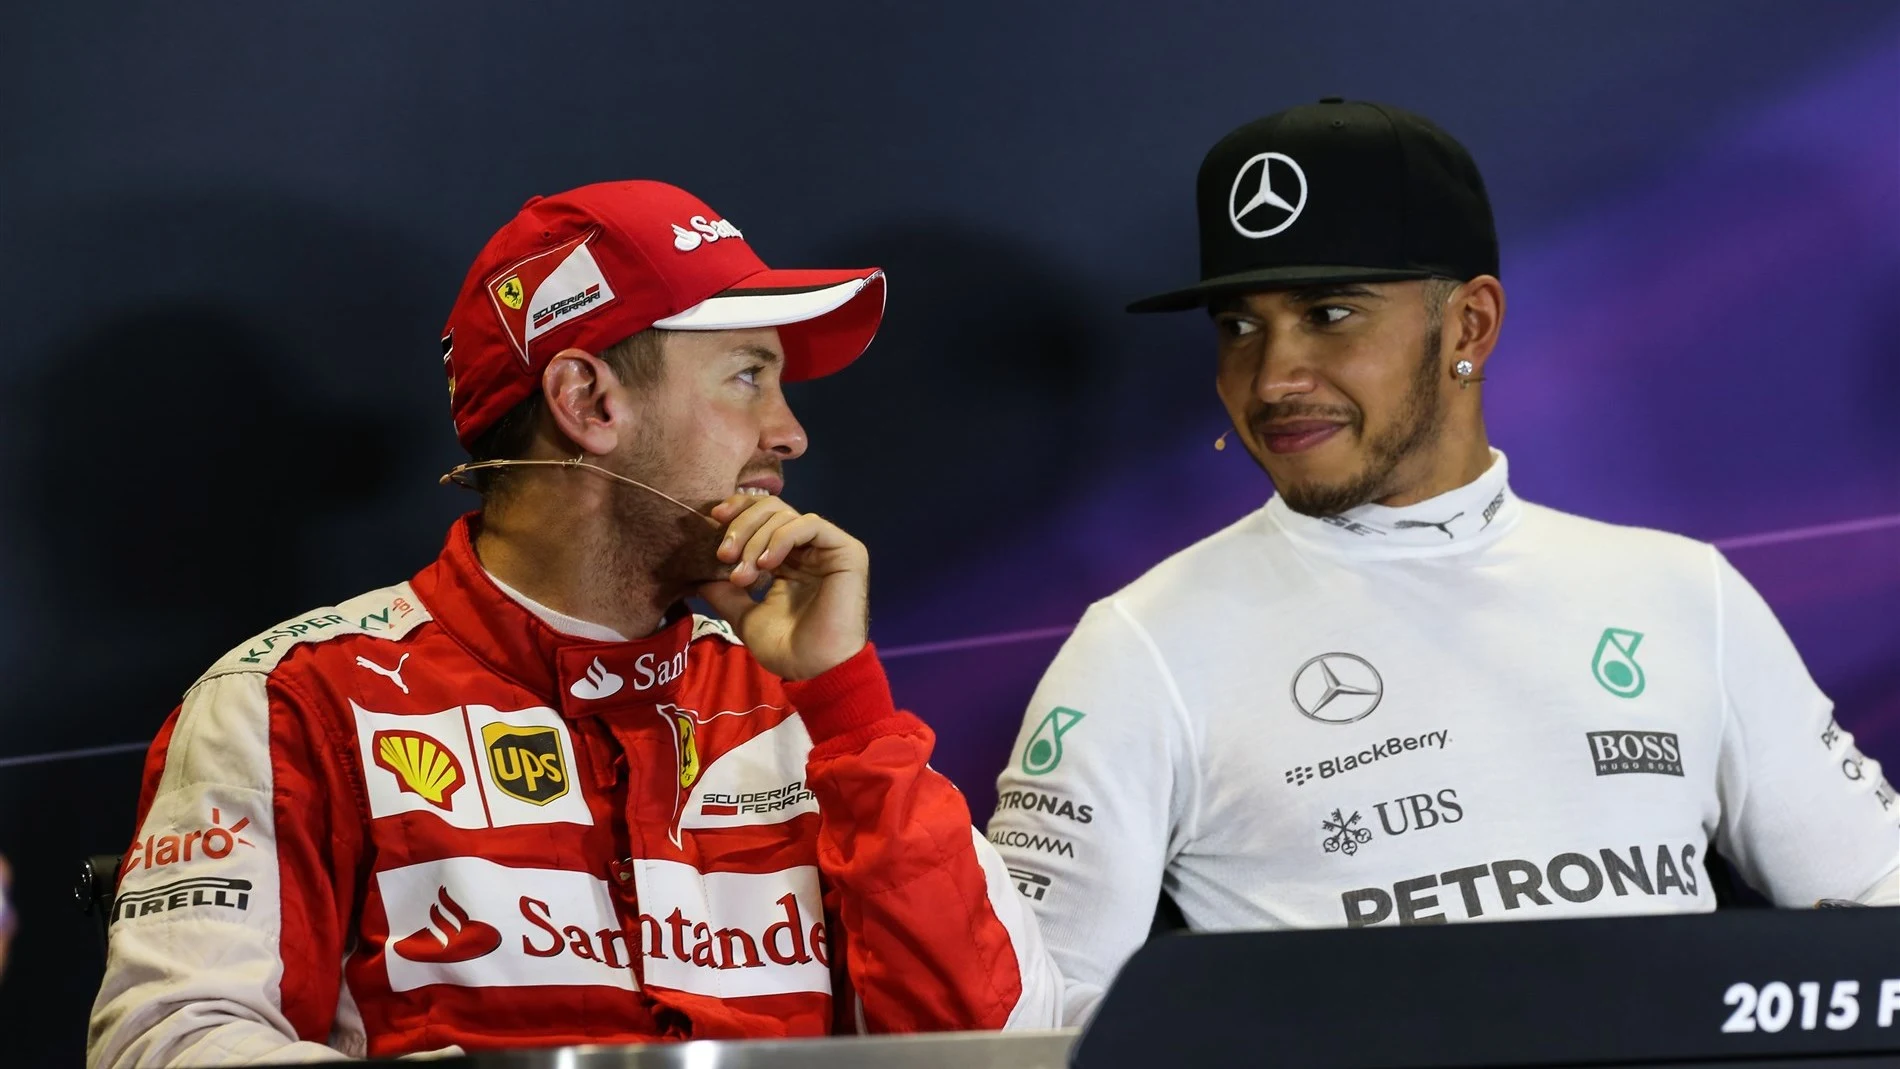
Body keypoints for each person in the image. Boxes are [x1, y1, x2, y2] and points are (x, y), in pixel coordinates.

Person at [90, 180, 1063, 1065]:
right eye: (745, 375)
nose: (789, 431)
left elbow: (1000, 1043)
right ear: (589, 400)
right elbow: (175, 1044)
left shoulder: (809, 710)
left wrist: (845, 706)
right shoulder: (296, 698)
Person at [984, 99, 1900, 1023]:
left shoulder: (1681, 593)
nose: (1272, 379)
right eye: (1239, 326)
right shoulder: (1142, 646)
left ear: (1470, 325)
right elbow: (1037, 1023)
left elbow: (1877, 896)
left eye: (1329, 313)